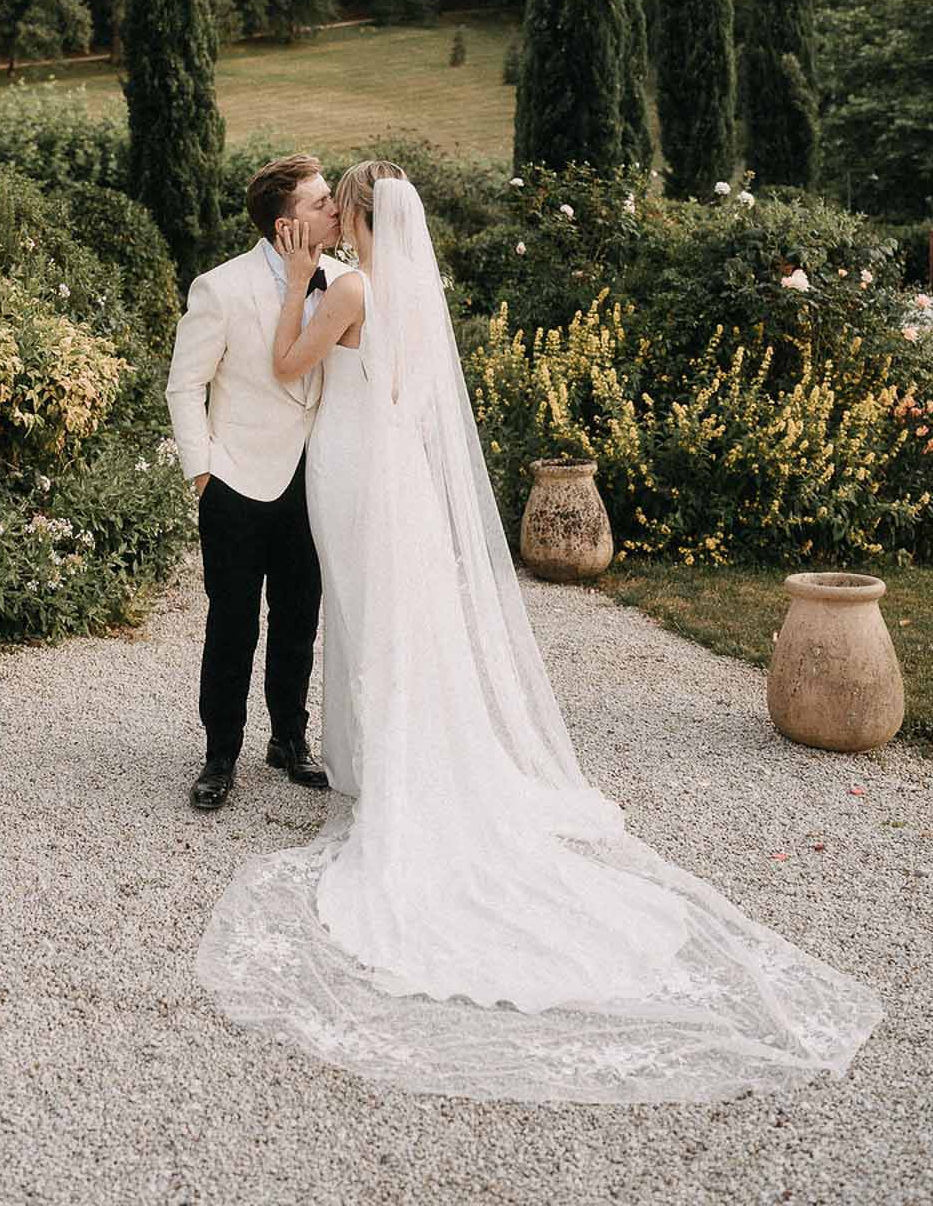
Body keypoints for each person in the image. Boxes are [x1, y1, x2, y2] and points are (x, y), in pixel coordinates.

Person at [195, 161, 884, 1104]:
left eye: (331, 205)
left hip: (351, 469)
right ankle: (368, 757)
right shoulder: (400, 286)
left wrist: (298, 302)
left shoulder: (349, 283)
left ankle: (386, 771)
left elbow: (287, 365)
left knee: (360, 619)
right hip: (383, 467)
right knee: (392, 621)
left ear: (351, 216)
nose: (322, 215)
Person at [165, 154, 343, 811]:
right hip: (234, 481)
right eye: (320, 202)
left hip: (316, 477)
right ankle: (219, 756)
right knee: (232, 622)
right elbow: (185, 385)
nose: (334, 209)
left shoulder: (345, 281)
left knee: (300, 615)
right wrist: (202, 473)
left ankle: (289, 742)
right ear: (283, 224)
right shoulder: (221, 287)